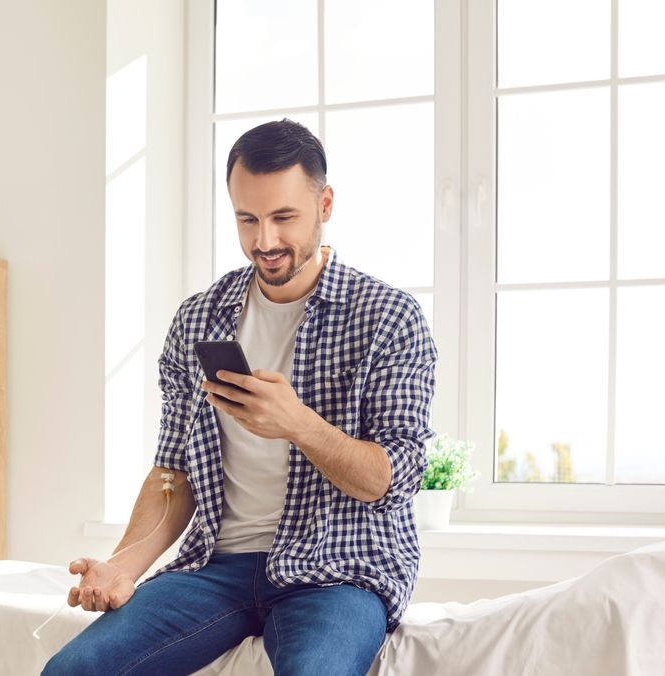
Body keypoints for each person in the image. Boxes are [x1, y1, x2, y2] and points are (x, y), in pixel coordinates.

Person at [42, 119, 437, 676]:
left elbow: (391, 481)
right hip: (216, 568)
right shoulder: (201, 317)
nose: (265, 241)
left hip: (336, 571)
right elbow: (172, 473)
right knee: (74, 672)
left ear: (325, 203)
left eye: (283, 218)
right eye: (247, 219)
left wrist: (298, 423)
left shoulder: (388, 317)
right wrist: (123, 567)